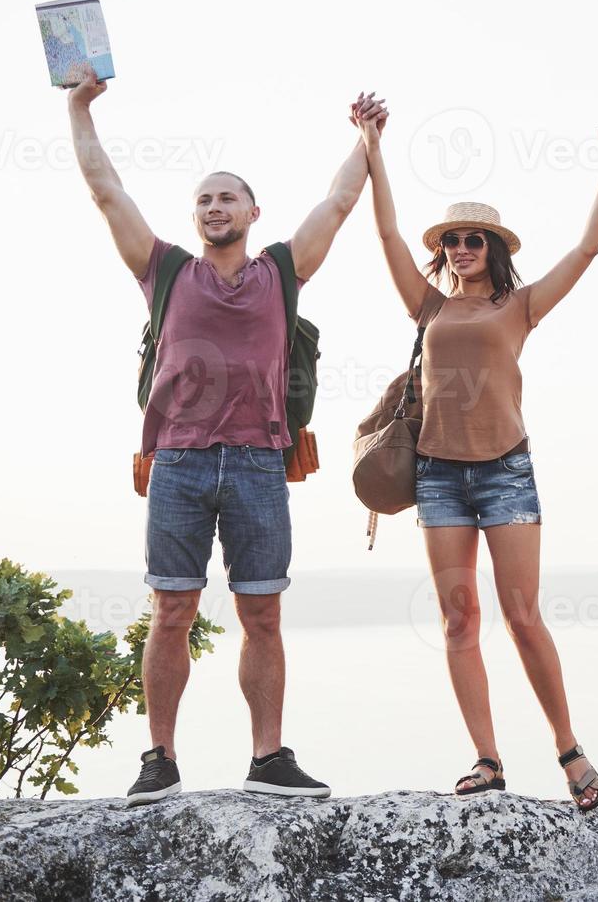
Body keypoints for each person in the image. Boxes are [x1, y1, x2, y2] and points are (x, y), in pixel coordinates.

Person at [67, 67, 387, 806]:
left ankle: (267, 759)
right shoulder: (166, 271)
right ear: (196, 217)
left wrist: (366, 139)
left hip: (257, 463)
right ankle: (159, 759)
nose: (215, 206)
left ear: (251, 209)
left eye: (227, 196)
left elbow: (338, 202)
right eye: (204, 199)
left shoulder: (280, 270)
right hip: (176, 462)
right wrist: (81, 108)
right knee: (170, 612)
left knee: (262, 613)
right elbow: (104, 188)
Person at [355, 102, 598, 812]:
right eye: (451, 239)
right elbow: (386, 231)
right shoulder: (426, 306)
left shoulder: (518, 306)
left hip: (506, 468)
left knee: (522, 614)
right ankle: (486, 759)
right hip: (438, 474)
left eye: (473, 239)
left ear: (493, 246)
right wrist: (370, 146)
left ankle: (569, 750)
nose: (460, 247)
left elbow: (586, 253)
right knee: (459, 619)